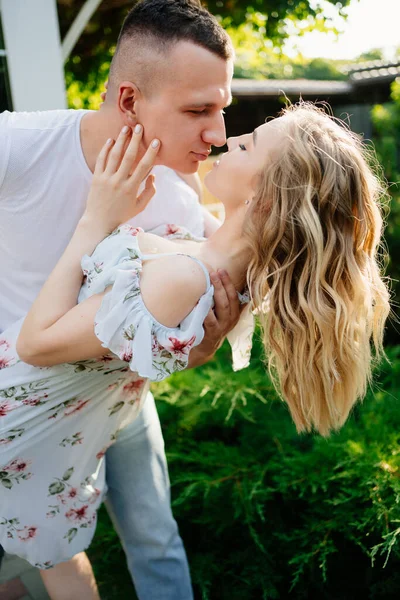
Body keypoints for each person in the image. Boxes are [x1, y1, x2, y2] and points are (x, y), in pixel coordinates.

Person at [0, 101, 390, 582]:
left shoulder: (188, 277)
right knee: (45, 562)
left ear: (266, 196)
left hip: (17, 407)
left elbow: (35, 345)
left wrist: (96, 219)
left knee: (53, 561)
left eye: (247, 144)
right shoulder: (221, 261)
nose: (228, 138)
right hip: (47, 414)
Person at [0, 1, 237, 598]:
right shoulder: (18, 147)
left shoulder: (178, 203)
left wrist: (200, 348)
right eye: (197, 110)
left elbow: (174, 345)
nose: (219, 134)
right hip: (22, 401)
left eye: (222, 109)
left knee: (156, 536)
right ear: (130, 100)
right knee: (38, 553)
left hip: (118, 396)